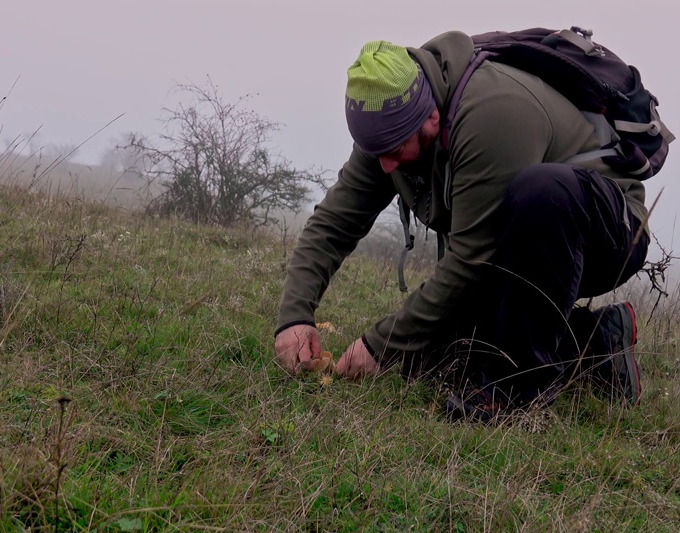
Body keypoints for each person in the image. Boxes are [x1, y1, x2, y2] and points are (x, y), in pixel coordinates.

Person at [274, 32, 654, 420]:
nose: (386, 166)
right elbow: (333, 223)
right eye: (376, 153)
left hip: (607, 229)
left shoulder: (492, 113)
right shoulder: (386, 132)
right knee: (430, 357)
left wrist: (379, 344)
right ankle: (599, 344)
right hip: (517, 246)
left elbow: (472, 259)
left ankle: (513, 393)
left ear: (432, 119)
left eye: (393, 151)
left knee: (542, 193)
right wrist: (294, 318)